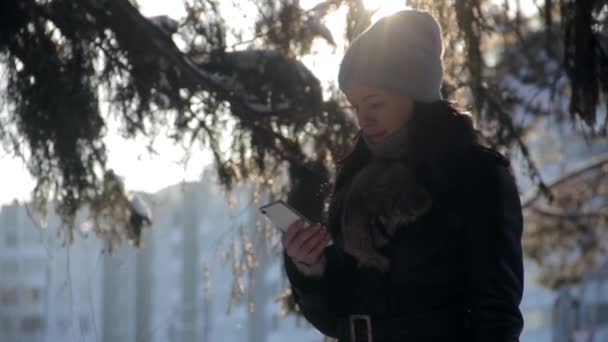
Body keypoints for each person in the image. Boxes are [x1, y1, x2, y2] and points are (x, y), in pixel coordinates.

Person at [281, 9, 524, 342]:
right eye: (356, 107)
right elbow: (337, 314)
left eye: (375, 103)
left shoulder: (475, 175)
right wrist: (310, 267)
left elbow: (496, 312)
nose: (363, 119)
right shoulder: (354, 179)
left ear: (415, 93)